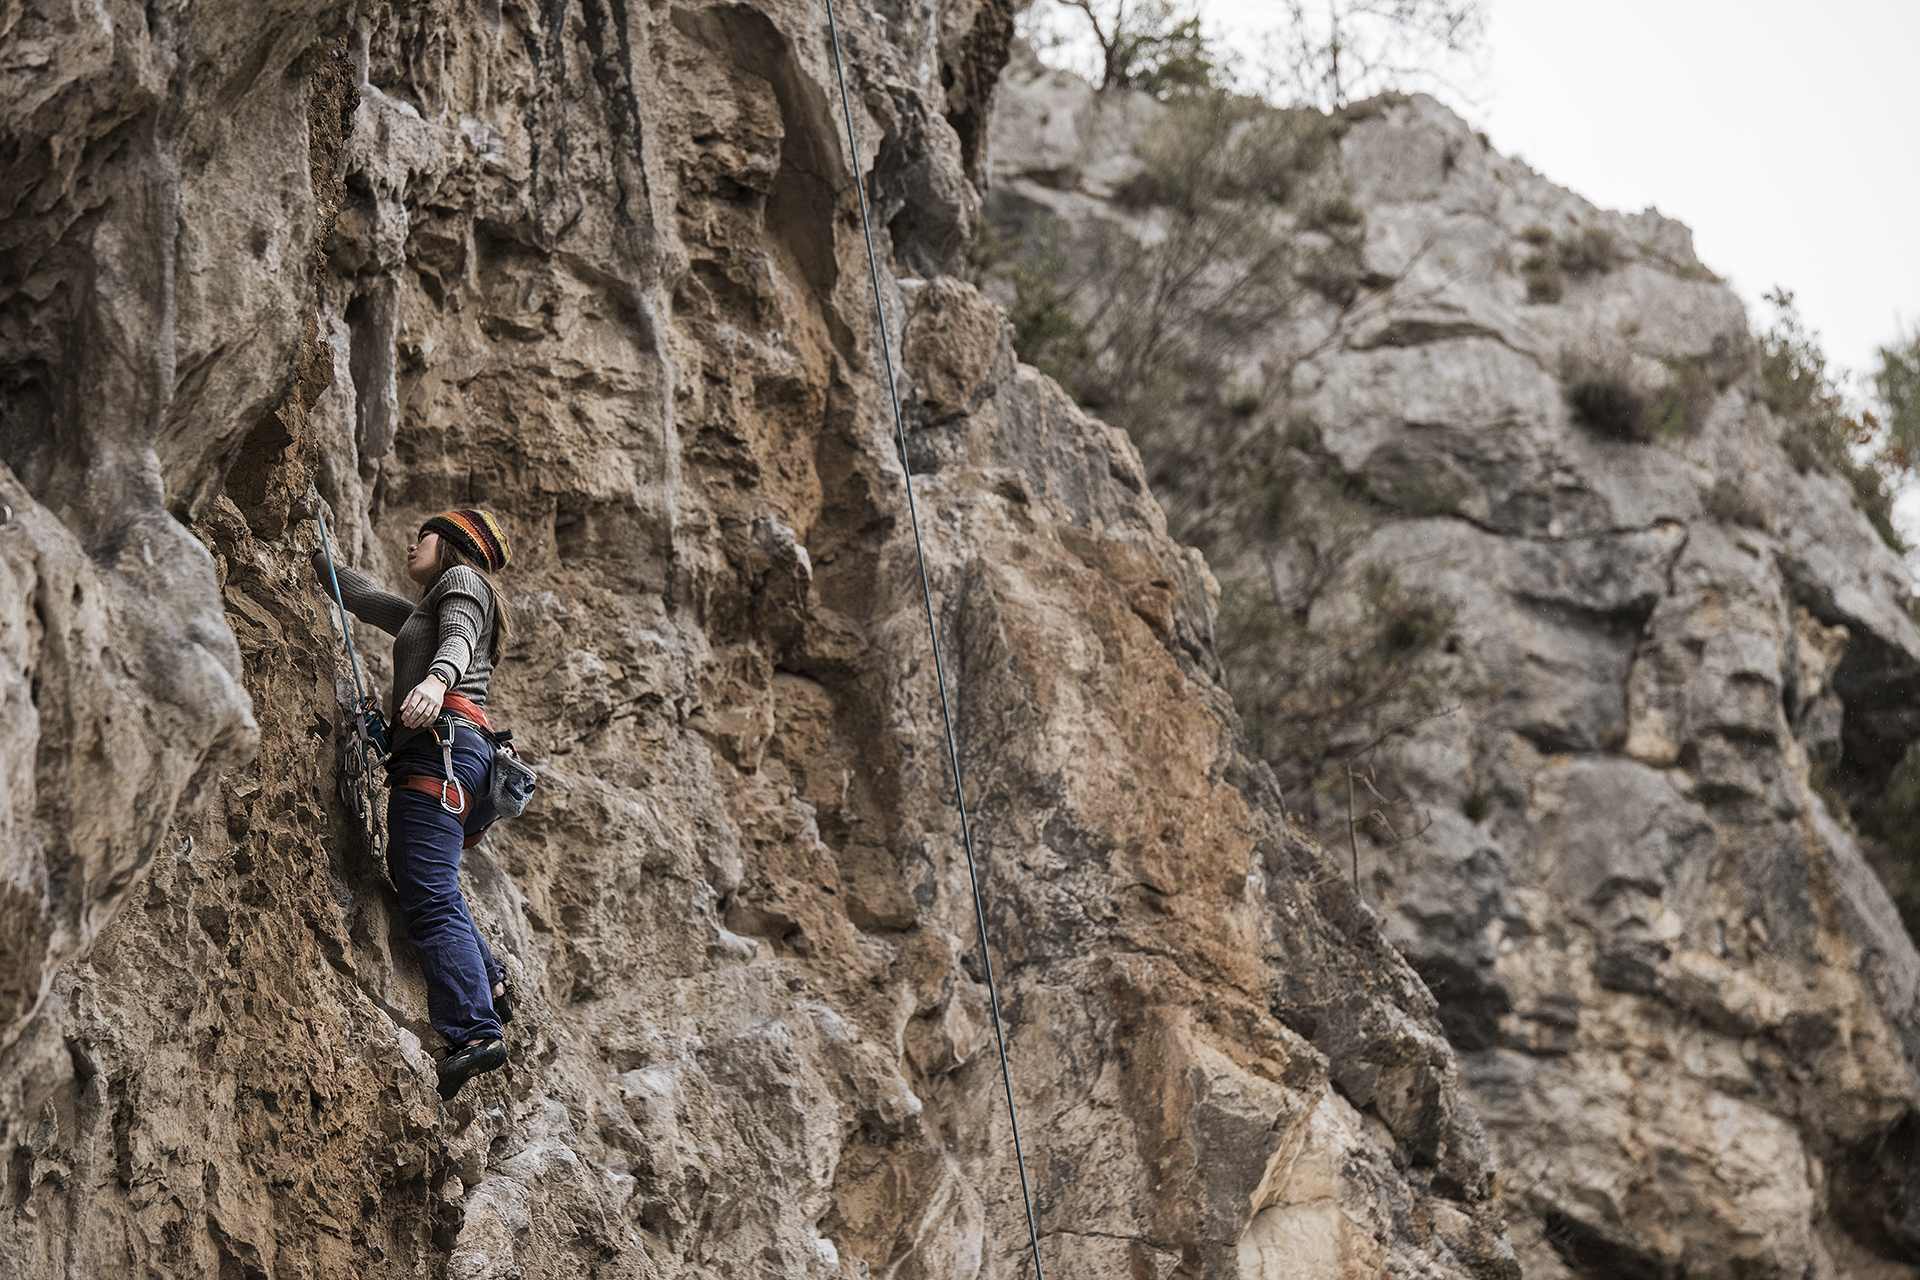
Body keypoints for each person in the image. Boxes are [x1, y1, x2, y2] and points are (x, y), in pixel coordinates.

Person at [314, 508, 516, 1100]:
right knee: (429, 881)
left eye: (423, 535)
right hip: (455, 757)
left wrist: (434, 682)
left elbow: (454, 638)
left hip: (441, 748)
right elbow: (370, 599)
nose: (411, 543)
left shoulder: (463, 584)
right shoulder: (428, 609)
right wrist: (313, 550)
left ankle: (475, 1031)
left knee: (426, 890)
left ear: (451, 544)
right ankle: (493, 985)